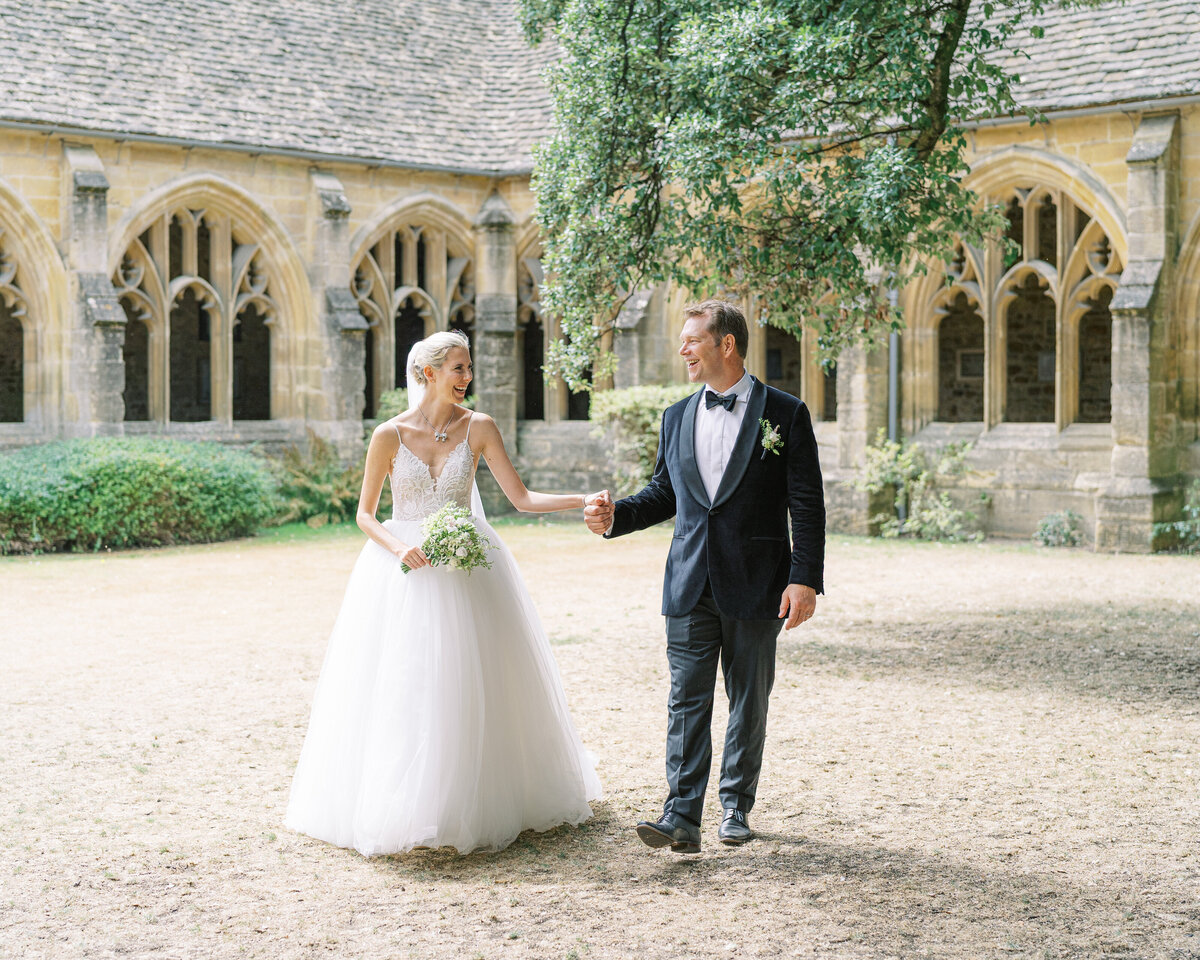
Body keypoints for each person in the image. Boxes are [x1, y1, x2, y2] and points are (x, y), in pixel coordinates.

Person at [286, 330, 603, 856]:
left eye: (469, 367)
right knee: (404, 683)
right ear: (428, 373)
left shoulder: (479, 427)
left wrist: (582, 498)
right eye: (458, 367)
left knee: (469, 678)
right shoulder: (388, 435)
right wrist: (398, 548)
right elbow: (364, 515)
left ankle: (477, 796)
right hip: (402, 569)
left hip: (467, 567)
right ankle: (407, 803)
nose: (467, 377)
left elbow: (520, 499)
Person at [585, 299, 824, 853]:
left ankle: (736, 805)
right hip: (689, 583)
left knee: (749, 699)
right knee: (686, 699)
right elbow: (665, 494)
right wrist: (615, 516)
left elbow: (806, 504)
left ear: (727, 345)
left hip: (760, 581)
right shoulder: (676, 416)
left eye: (692, 340)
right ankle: (681, 815)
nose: (684, 350)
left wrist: (804, 577)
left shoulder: (785, 414)